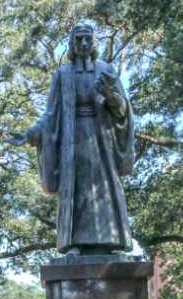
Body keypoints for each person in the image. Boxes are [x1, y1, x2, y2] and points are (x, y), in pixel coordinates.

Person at [11, 21, 134, 255]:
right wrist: (29, 134)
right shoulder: (63, 75)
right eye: (79, 39)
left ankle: (113, 242)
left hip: (101, 141)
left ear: (94, 42)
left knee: (105, 187)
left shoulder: (106, 70)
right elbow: (50, 115)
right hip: (72, 140)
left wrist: (113, 97)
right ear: (72, 44)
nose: (84, 43)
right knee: (76, 188)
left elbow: (124, 110)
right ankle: (75, 243)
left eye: (88, 38)